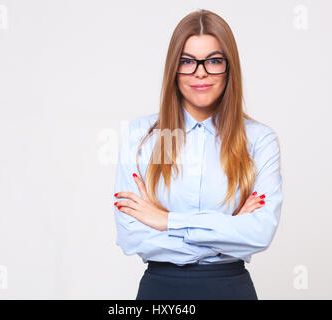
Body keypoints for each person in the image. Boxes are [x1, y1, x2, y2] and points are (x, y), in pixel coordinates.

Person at [113, 9, 283, 300]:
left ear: (229, 68)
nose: (200, 72)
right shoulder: (141, 137)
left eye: (214, 60)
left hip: (231, 290)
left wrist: (166, 221)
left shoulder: (259, 140)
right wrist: (230, 229)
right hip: (161, 292)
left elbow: (259, 234)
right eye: (187, 61)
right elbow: (133, 236)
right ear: (173, 69)